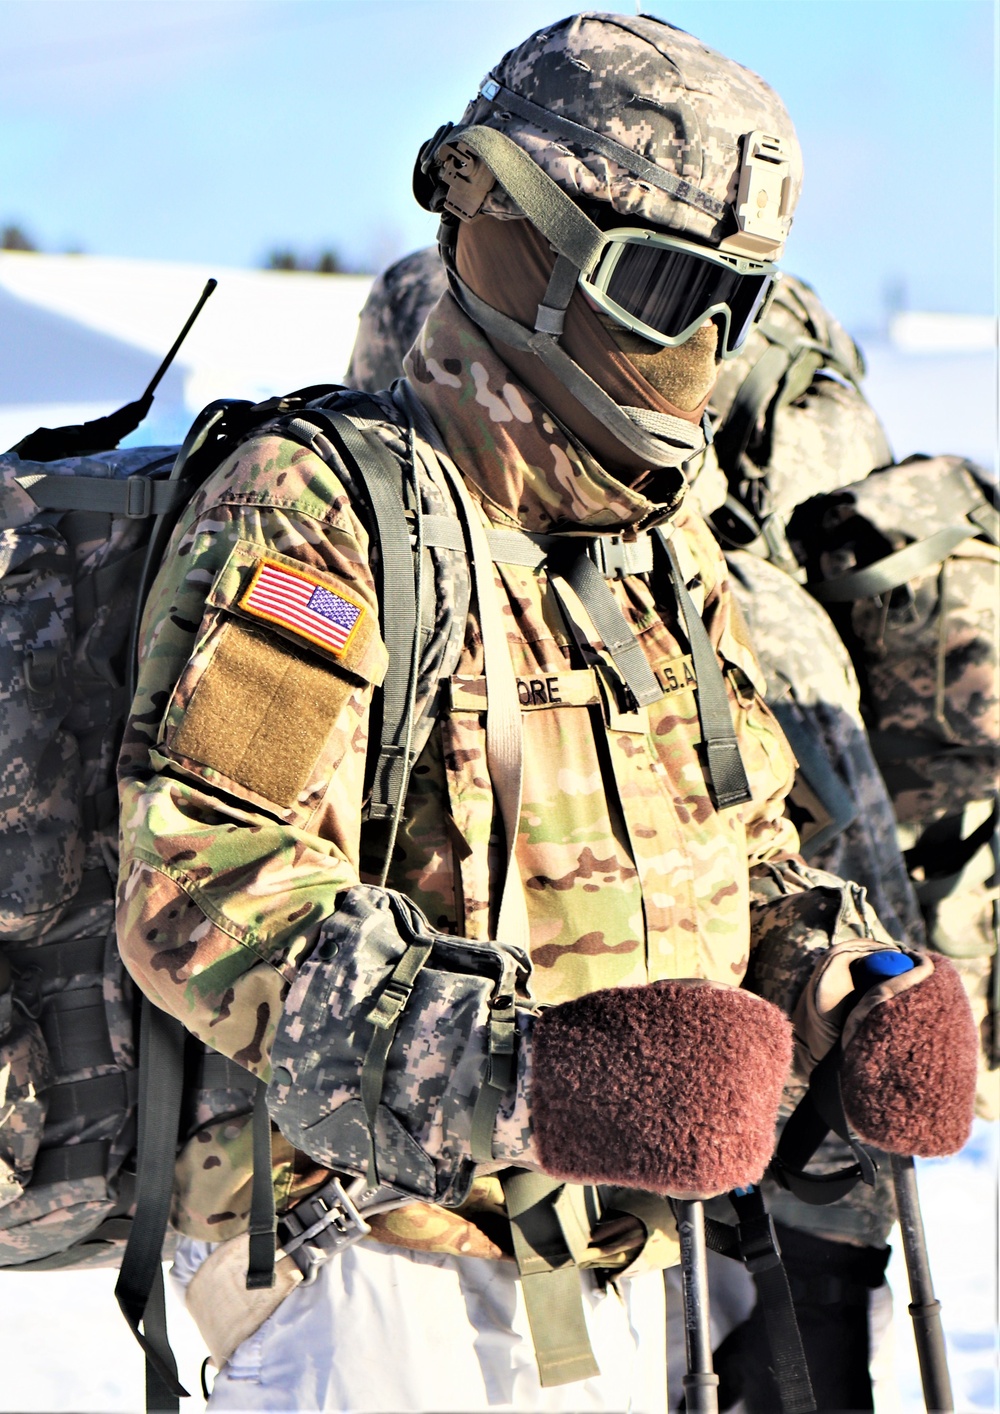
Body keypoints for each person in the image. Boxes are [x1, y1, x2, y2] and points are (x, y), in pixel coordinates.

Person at [116, 14, 977, 1412]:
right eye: (663, 284)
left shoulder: (657, 551)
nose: (697, 342)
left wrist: (840, 982)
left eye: (732, 305)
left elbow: (744, 851)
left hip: (608, 1279)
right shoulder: (324, 511)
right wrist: (541, 1076)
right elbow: (205, 890)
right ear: (526, 239)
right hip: (374, 1285)